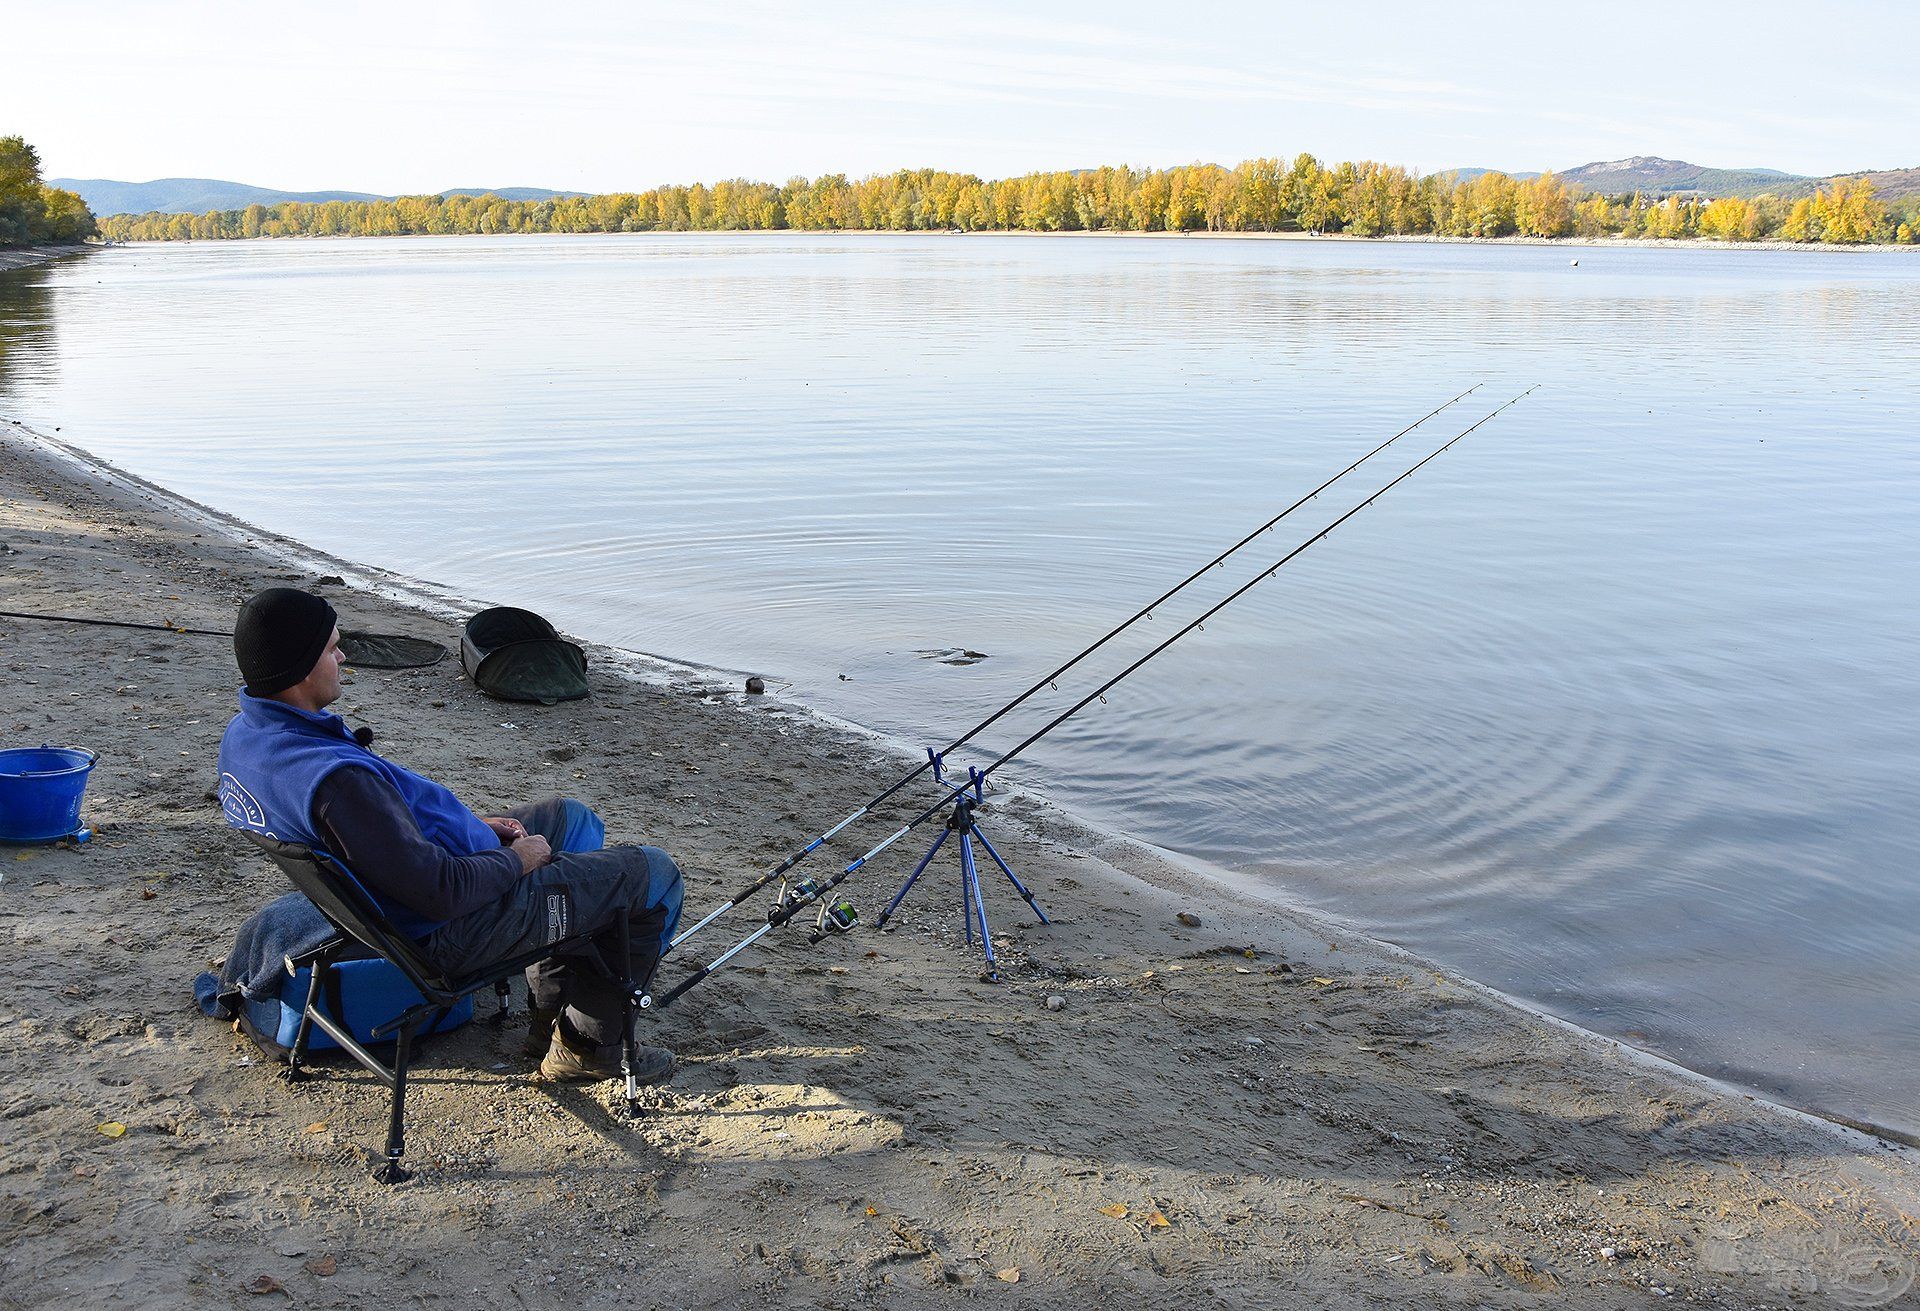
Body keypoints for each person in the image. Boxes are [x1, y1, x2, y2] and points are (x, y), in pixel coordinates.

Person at [214, 587, 682, 1084]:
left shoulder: (250, 739)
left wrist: (477, 829)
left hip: (393, 888)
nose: (343, 655)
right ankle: (587, 1050)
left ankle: (552, 1012)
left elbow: (380, 836)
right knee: (654, 875)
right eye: (332, 648)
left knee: (571, 819)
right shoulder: (336, 784)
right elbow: (441, 892)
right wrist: (518, 859)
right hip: (442, 929)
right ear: (303, 666)